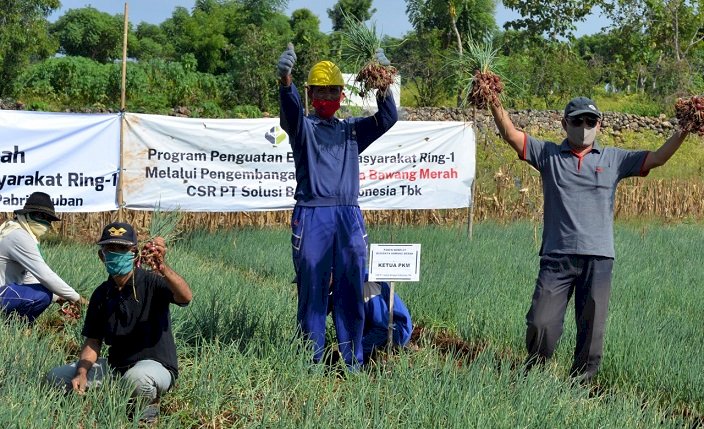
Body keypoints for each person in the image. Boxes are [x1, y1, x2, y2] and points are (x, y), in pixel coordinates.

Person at [488, 96, 689, 382]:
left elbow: (658, 158)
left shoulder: (614, 159)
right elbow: (510, 133)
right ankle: (533, 374)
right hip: (556, 257)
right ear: (564, 124)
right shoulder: (547, 154)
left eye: (590, 121)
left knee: (592, 328)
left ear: (599, 125)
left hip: (599, 257)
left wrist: (684, 129)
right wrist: (493, 98)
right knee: (541, 322)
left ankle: (581, 386)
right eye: (577, 121)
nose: (584, 127)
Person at [277, 43, 398, 368]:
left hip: (348, 216)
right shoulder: (303, 129)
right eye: (321, 91)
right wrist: (286, 80)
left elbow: (388, 117)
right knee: (313, 294)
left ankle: (352, 363)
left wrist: (383, 82)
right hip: (312, 216)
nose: (328, 97)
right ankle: (310, 364)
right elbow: (289, 114)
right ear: (310, 94)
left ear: (342, 96)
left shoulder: (351, 131)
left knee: (349, 292)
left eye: (334, 91)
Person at [46, 222, 192, 423]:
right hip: (117, 367)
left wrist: (163, 268)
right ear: (101, 256)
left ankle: (147, 407)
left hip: (155, 366)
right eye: (110, 249)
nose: (116, 254)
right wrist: (82, 372)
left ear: (134, 253)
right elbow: (93, 341)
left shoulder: (152, 281)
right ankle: (114, 393)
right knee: (56, 376)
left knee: (138, 379)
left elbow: (185, 297)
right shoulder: (101, 294)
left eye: (122, 249)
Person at [0, 191, 87, 322]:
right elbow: (45, 275)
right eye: (41, 216)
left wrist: (59, 298)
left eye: (49, 219)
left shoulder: (15, 230)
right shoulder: (19, 236)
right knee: (42, 295)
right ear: (27, 215)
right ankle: (18, 326)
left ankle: (13, 326)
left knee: (45, 292)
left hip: (4, 291)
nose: (46, 223)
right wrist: (78, 299)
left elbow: (29, 278)